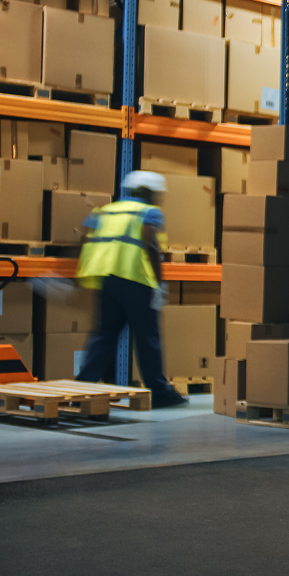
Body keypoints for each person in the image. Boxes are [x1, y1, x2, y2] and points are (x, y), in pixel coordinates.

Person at [73, 170, 188, 408]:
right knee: (147, 336)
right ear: (149, 192)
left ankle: (83, 387)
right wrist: (159, 284)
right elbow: (150, 244)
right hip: (136, 281)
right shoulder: (149, 213)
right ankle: (159, 391)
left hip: (107, 280)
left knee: (103, 335)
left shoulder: (105, 210)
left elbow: (84, 236)